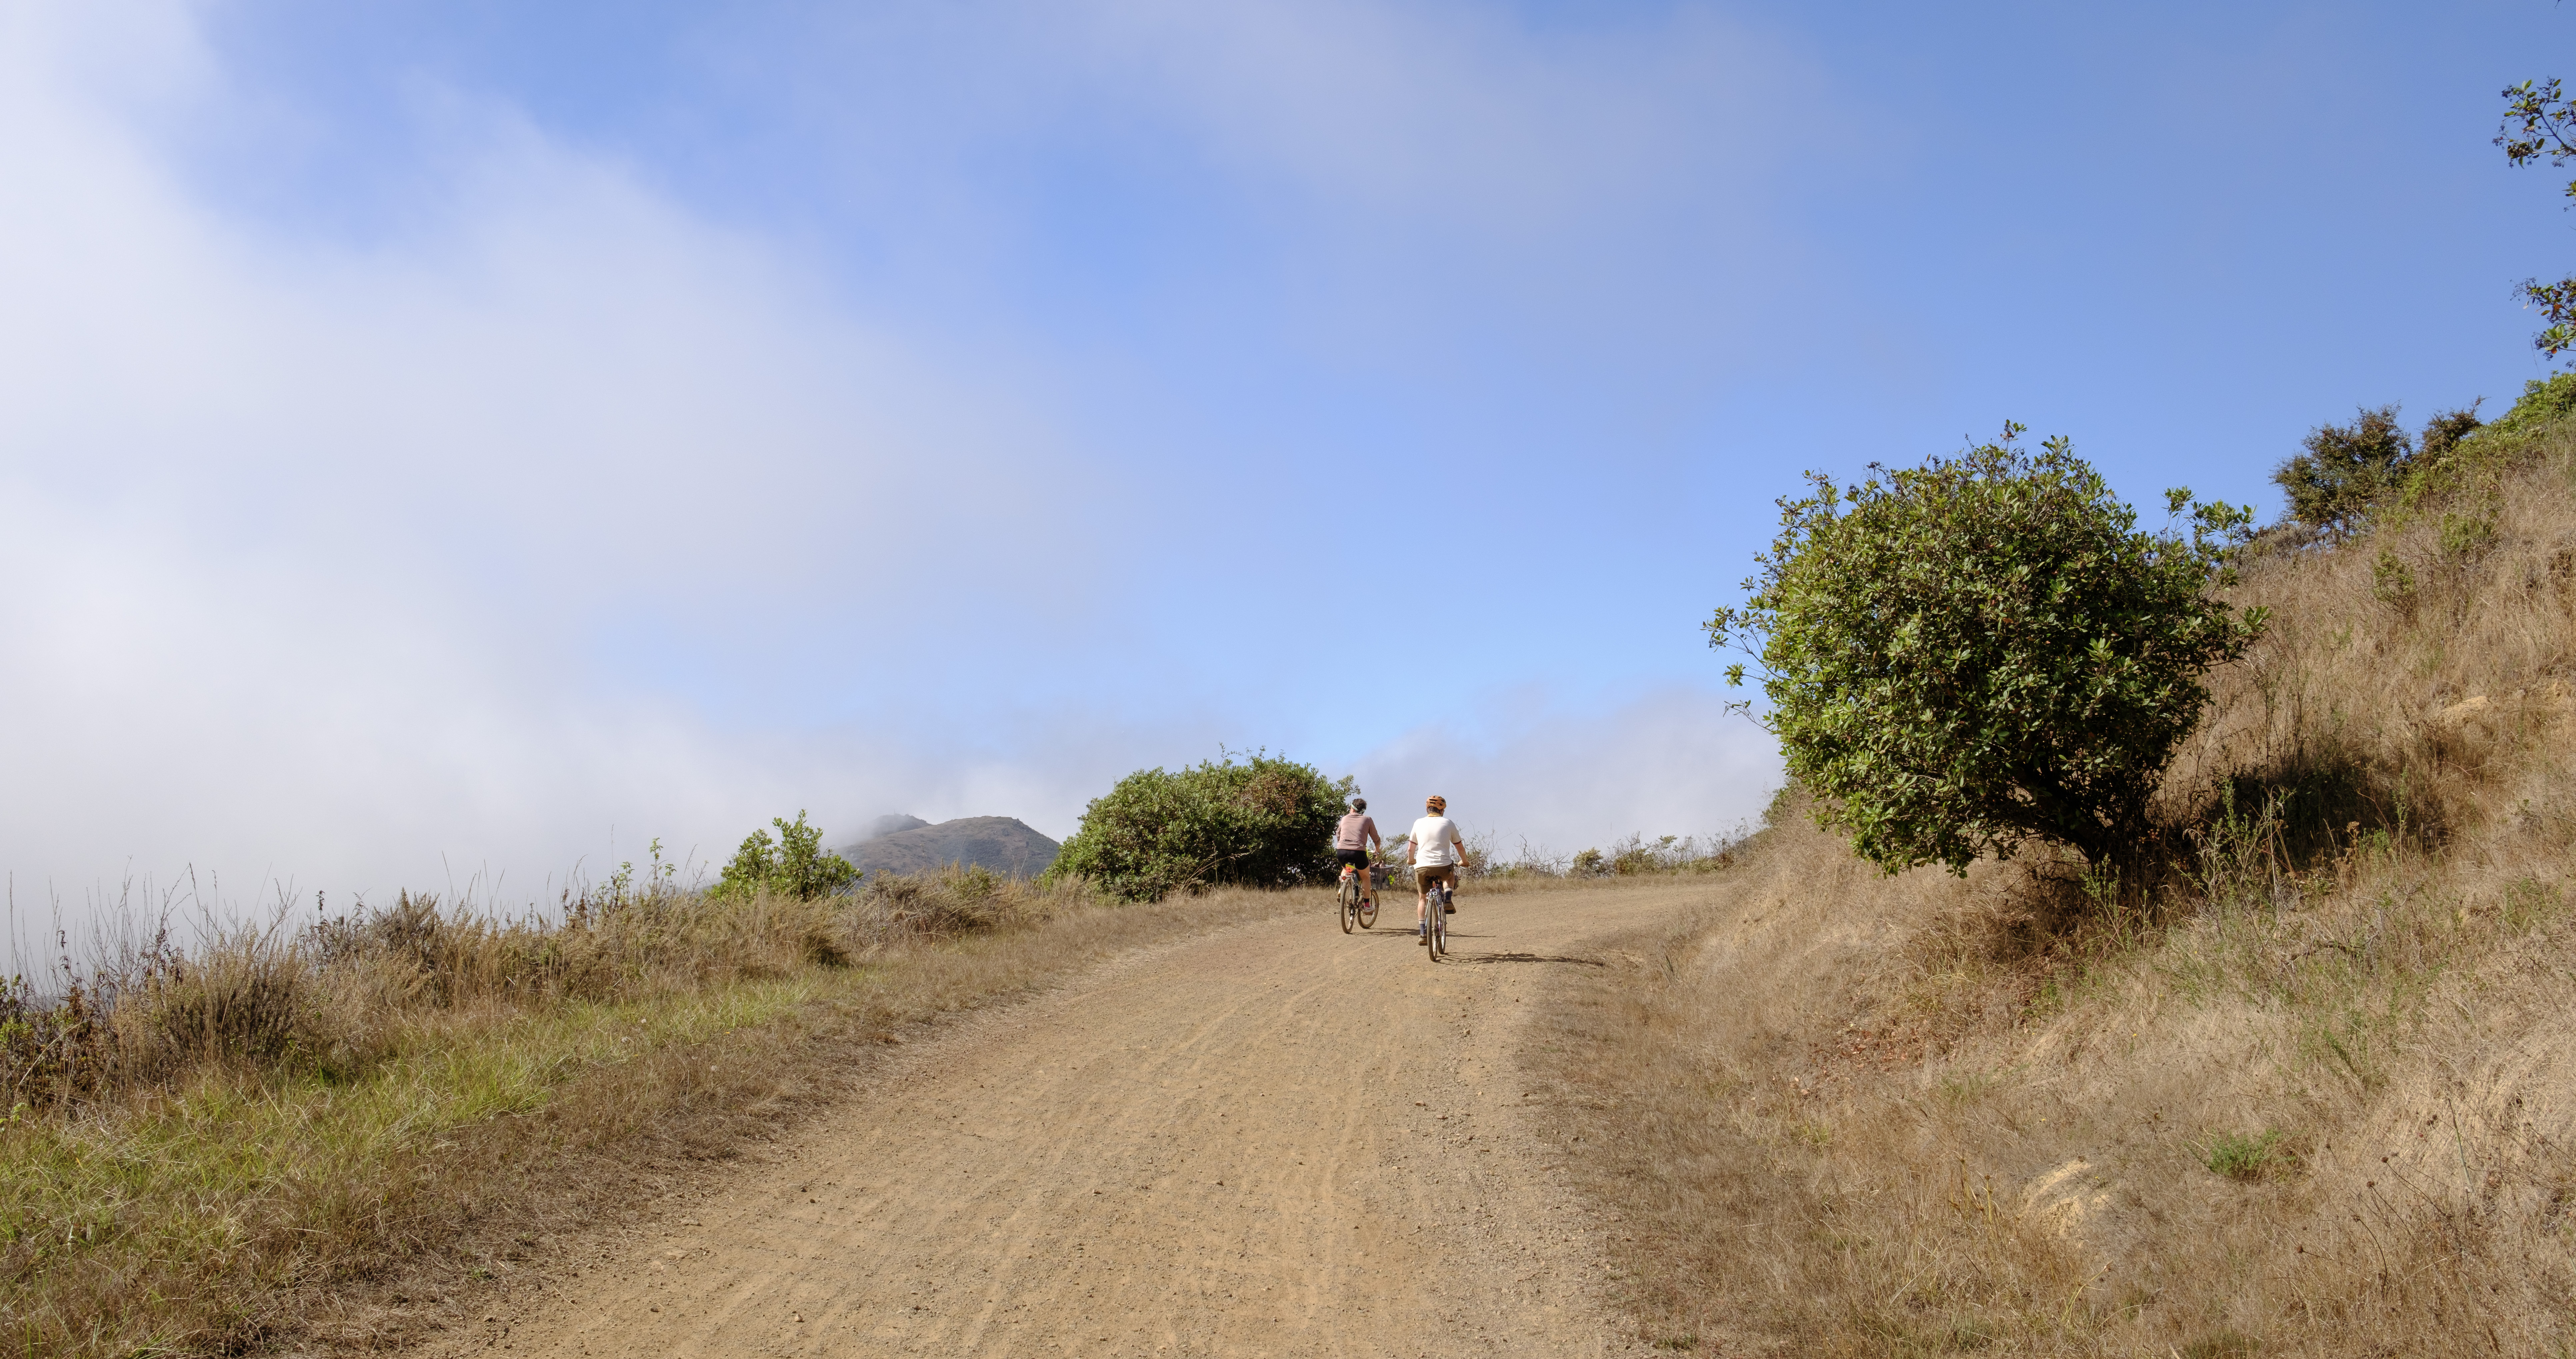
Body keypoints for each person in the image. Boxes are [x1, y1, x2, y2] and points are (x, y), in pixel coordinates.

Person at [1408, 794, 1467, 941]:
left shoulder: (1418, 823)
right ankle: (1448, 898)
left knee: (1423, 899)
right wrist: (1465, 861)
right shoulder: (1448, 823)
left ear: (1428, 809)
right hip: (1442, 866)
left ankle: (1423, 932)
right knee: (1450, 874)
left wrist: (1411, 861)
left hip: (1422, 868)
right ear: (1442, 811)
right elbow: (1459, 847)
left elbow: (1410, 849)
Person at [1332, 798, 1381, 906]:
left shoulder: (1344, 819)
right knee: (1365, 877)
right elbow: (1376, 839)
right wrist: (1378, 850)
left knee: (1346, 869)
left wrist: (1343, 845)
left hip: (1342, 852)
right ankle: (1367, 906)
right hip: (1358, 854)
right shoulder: (1367, 819)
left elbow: (1339, 835)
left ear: (1352, 809)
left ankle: (1342, 889)